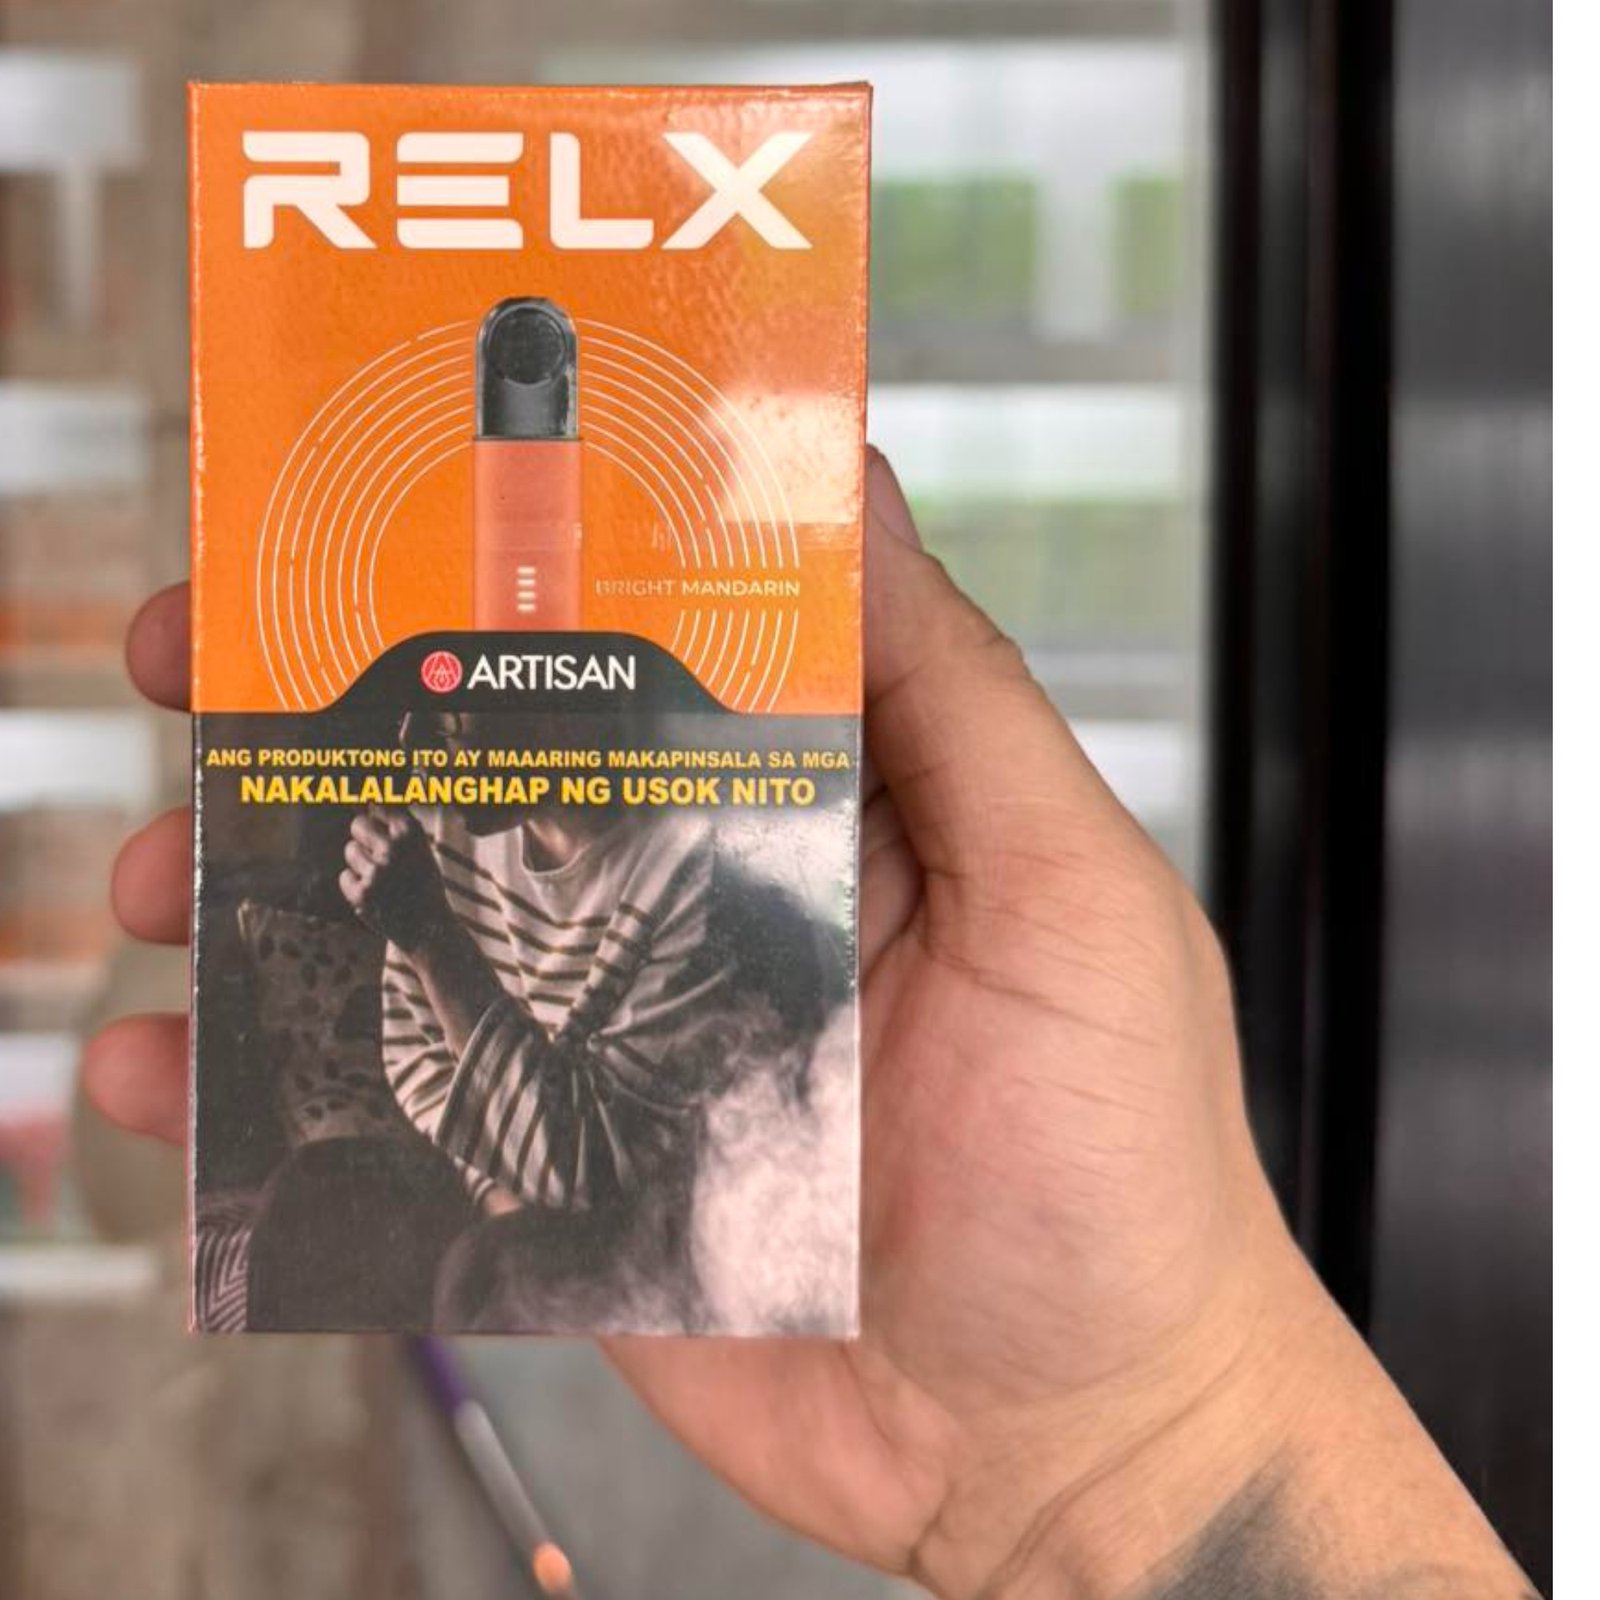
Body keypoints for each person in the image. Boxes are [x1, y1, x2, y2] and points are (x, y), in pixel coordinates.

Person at [85, 451, 1535, 1599]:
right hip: (629, 1245)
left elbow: (570, 1154)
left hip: (696, 1252)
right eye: (440, 692)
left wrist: (442, 969)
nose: (443, 727)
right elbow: (439, 1076)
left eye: (480, 690)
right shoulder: (459, 841)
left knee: (436, 1233)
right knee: (341, 1213)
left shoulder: (708, 896)